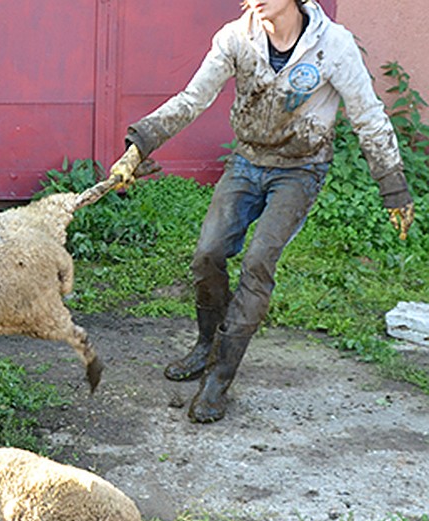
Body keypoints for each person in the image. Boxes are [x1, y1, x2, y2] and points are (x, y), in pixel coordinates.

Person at [107, 0, 415, 424]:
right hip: (247, 161)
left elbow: (368, 116)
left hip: (301, 169)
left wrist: (393, 186)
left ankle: (219, 376)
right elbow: (192, 99)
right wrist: (139, 145)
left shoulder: (334, 46)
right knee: (207, 254)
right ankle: (205, 344)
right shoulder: (237, 37)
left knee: (257, 263)